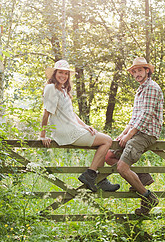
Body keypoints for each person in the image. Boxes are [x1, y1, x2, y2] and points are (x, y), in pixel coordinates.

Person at [39, 59, 120, 192]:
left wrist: (85, 126)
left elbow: (71, 114)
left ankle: (101, 180)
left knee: (102, 141)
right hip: (65, 131)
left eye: (66, 73)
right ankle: (91, 174)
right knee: (107, 140)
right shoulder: (51, 88)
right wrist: (42, 136)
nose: (63, 76)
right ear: (55, 73)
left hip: (73, 128)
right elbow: (46, 113)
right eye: (60, 72)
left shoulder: (63, 90)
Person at [107, 57, 163, 215]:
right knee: (110, 156)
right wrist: (122, 134)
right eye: (134, 71)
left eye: (140, 70)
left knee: (122, 168)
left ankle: (148, 197)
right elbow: (134, 118)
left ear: (147, 70)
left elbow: (145, 116)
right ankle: (142, 177)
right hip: (137, 131)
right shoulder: (140, 90)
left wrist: (129, 135)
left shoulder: (151, 87)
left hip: (146, 133)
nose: (137, 73)